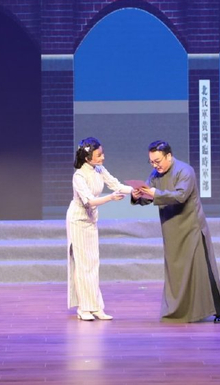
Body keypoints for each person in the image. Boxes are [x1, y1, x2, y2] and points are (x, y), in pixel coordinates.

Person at [131, 141, 220, 323]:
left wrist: (154, 193)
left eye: (157, 161)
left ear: (168, 156)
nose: (155, 165)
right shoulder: (155, 174)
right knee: (177, 274)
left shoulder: (185, 171)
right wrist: (137, 196)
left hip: (191, 227)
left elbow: (180, 196)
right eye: (151, 162)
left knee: (203, 269)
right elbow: (149, 195)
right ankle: (180, 310)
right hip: (171, 229)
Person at [67, 137, 132, 321]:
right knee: (82, 264)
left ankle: (95, 306)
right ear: (88, 157)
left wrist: (138, 190)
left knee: (93, 262)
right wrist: (111, 198)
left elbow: (116, 185)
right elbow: (89, 201)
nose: (103, 157)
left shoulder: (99, 170)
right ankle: (83, 308)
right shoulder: (79, 176)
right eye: (99, 155)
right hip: (78, 220)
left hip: (91, 220)